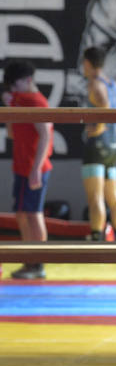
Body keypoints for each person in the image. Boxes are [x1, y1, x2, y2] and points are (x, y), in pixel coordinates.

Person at [80, 46, 116, 242]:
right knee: (113, 197)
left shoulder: (94, 84)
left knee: (95, 197)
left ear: (87, 63)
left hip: (97, 145)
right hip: (113, 146)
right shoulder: (113, 84)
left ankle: (97, 238)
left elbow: (104, 107)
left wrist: (98, 128)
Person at [3, 62, 54, 280]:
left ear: (28, 81)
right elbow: (12, 134)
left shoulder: (37, 102)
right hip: (22, 166)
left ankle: (38, 263)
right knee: (23, 215)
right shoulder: (18, 100)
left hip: (34, 168)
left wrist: (35, 169)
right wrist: (8, 108)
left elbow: (45, 135)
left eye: (16, 86)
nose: (14, 90)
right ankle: (30, 260)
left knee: (33, 215)